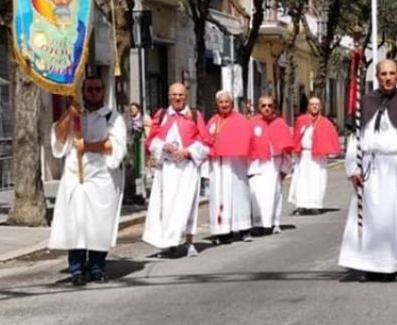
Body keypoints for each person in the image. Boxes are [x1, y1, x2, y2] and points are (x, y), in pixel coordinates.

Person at [338, 59, 397, 281]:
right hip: (372, 167)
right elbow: (355, 139)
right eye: (383, 74)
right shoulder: (367, 101)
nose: (388, 77)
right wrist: (353, 168)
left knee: (394, 218)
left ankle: (392, 266)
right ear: (377, 76)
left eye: (392, 73)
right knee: (371, 219)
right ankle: (369, 265)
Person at [49, 77, 127, 286]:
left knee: (98, 225)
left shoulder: (112, 117)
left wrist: (89, 146)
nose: (93, 92)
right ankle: (76, 268)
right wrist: (69, 114)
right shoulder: (74, 115)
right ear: (83, 91)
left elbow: (116, 146)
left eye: (97, 89)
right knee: (77, 224)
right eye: (89, 89)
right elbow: (58, 140)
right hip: (76, 177)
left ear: (103, 91)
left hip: (101, 178)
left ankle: (97, 267)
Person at [143, 83, 210, 257]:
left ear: (185, 96)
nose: (177, 98)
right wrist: (162, 146)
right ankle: (168, 243)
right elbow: (151, 141)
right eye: (174, 94)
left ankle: (189, 242)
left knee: (188, 205)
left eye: (180, 95)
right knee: (167, 206)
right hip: (167, 169)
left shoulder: (195, 115)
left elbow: (206, 143)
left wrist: (188, 151)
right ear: (169, 96)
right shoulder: (162, 115)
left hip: (187, 169)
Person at [205, 90, 253, 244]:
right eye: (221, 102)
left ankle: (244, 228)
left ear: (231, 103)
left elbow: (248, 142)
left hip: (235, 165)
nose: (224, 105)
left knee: (238, 196)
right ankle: (223, 231)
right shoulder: (212, 121)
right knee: (219, 198)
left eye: (227, 102)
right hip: (218, 166)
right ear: (217, 104)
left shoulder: (241, 120)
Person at [247, 95, 294, 234]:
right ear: (258, 107)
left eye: (270, 106)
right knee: (256, 195)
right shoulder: (252, 123)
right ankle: (257, 224)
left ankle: (274, 223)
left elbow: (287, 150)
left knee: (274, 194)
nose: (267, 108)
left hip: (274, 164)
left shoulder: (280, 123)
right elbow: (247, 146)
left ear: (274, 107)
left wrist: (285, 168)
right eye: (263, 106)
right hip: (257, 165)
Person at [289, 95, 341, 215]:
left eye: (317, 104)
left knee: (317, 179)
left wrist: (330, 150)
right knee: (302, 179)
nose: (314, 106)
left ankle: (315, 205)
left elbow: (331, 138)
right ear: (308, 106)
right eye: (312, 104)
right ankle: (301, 205)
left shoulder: (325, 122)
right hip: (304, 156)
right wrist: (295, 149)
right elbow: (296, 136)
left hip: (318, 157)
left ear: (320, 107)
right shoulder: (301, 120)